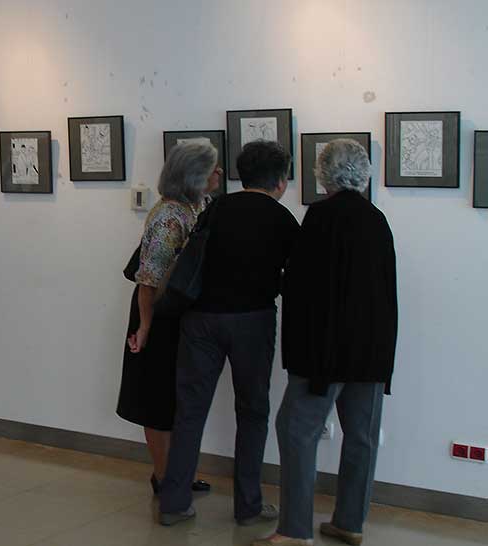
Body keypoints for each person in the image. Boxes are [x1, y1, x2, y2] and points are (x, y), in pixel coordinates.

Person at [254, 139, 397, 546]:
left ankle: (294, 530)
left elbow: (304, 290)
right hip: (370, 353)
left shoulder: (320, 218)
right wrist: (384, 359)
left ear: (323, 173)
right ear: (363, 172)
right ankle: (350, 523)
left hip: (325, 354)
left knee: (296, 431)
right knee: (362, 436)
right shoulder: (377, 220)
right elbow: (387, 294)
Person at [159, 140, 299, 526]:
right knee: (252, 413)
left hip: (199, 320)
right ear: (281, 181)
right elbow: (297, 278)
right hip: (252, 322)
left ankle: (173, 503)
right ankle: (248, 506)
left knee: (189, 412)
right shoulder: (283, 219)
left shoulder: (216, 207)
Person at [117, 140, 222, 495]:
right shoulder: (168, 217)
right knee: (157, 400)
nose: (219, 175)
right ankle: (164, 476)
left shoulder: (200, 206)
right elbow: (149, 280)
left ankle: (180, 472)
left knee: (182, 399)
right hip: (158, 315)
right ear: (195, 176)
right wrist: (145, 328)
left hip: (182, 313)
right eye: (212, 170)